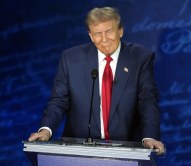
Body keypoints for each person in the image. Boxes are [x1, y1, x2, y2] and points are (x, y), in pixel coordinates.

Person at [28, 7, 164, 154]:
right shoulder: (71, 59)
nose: (104, 39)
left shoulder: (140, 58)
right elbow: (59, 101)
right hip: (79, 150)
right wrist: (46, 130)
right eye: (98, 34)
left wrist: (150, 136)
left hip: (126, 149)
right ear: (91, 36)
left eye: (109, 32)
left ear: (121, 31)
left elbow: (147, 100)